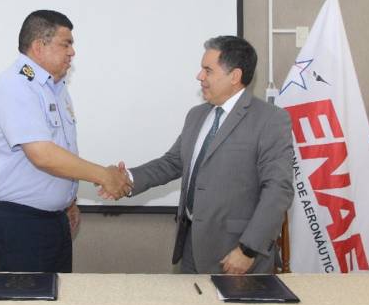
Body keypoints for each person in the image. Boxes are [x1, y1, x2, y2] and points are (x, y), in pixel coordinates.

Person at [116, 35, 293, 274]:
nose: (199, 76)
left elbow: (277, 189)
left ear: (235, 76)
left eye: (207, 70)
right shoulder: (197, 115)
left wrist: (248, 249)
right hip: (190, 245)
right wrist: (126, 178)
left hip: (237, 253)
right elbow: (173, 163)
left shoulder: (270, 119)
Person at [0, 10, 131, 273]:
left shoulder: (56, 88)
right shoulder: (16, 85)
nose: (72, 52)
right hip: (17, 222)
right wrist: (105, 175)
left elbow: (61, 151)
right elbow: (43, 155)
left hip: (51, 221)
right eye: (65, 43)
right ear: (39, 46)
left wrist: (68, 201)